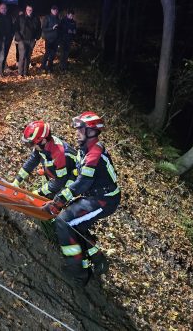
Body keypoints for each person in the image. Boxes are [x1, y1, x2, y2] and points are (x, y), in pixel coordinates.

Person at [43, 111, 121, 286]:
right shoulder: (83, 151)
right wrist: (60, 195)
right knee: (76, 223)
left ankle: (78, 273)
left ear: (91, 132)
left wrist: (60, 200)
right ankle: (97, 258)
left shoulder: (94, 153)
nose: (76, 133)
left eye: (80, 129)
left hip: (104, 200)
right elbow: (77, 177)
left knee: (64, 222)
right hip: (94, 195)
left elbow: (83, 183)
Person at [11, 121, 77, 199]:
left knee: (57, 201)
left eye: (32, 144)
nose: (32, 147)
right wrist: (17, 181)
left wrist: (39, 192)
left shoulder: (59, 153)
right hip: (57, 176)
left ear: (43, 141)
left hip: (72, 179)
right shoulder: (41, 146)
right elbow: (32, 161)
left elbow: (60, 181)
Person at [14, 4, 41, 77]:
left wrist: (37, 37)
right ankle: (20, 73)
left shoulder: (36, 18)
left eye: (31, 10)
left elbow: (39, 29)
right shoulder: (20, 17)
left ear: (32, 10)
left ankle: (26, 72)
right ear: (26, 10)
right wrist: (19, 38)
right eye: (28, 9)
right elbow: (16, 28)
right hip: (22, 40)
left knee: (28, 57)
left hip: (31, 40)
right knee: (22, 56)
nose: (29, 11)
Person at [40, 5, 61, 73]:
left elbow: (59, 29)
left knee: (53, 54)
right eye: (54, 10)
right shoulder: (47, 17)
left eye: (56, 10)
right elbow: (43, 28)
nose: (55, 11)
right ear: (51, 10)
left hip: (56, 39)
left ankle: (50, 67)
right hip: (49, 39)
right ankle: (42, 66)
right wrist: (52, 28)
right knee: (47, 53)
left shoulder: (57, 18)